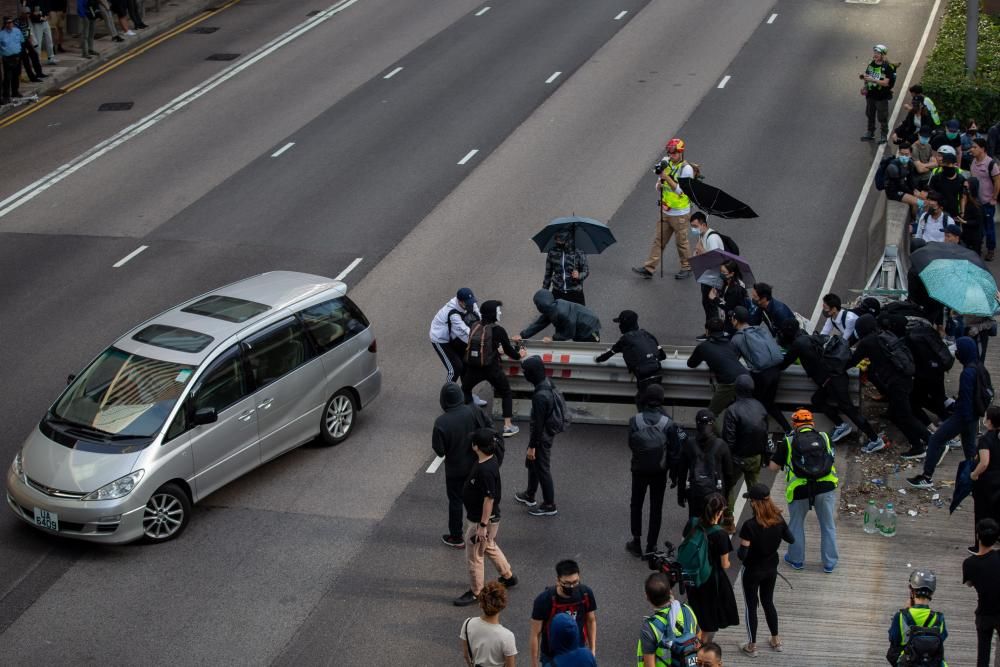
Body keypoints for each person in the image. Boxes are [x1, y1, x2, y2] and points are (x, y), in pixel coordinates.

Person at [777, 318, 882, 450]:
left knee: (849, 409)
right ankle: (841, 425)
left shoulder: (798, 344)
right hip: (834, 377)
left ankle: (875, 439)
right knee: (817, 400)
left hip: (833, 381)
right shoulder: (806, 336)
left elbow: (784, 364)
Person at [768, 409, 839, 573]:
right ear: (812, 423)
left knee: (796, 524)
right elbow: (831, 458)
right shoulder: (825, 437)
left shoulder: (788, 441)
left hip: (799, 489)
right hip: (825, 488)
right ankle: (829, 563)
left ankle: (796, 560)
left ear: (795, 424)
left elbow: (773, 467)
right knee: (828, 526)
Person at [454, 429, 517, 607]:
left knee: (475, 554)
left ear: (477, 447)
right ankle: (508, 576)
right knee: (488, 545)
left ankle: (476, 591)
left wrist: (482, 525)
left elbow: (489, 499)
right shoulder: (490, 458)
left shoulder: (486, 470)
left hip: (481, 521)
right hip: (490, 519)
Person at [851, 314, 930, 455]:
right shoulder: (884, 335)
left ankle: (929, 442)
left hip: (896, 384)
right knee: (895, 415)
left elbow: (851, 361)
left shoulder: (867, 343)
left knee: (905, 416)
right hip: (905, 378)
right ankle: (919, 444)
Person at [908, 336, 979, 488]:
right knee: (970, 450)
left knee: (935, 440)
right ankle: (976, 480)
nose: (957, 353)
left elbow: (966, 398)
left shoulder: (967, 373)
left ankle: (926, 477)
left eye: (959, 350)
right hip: (973, 416)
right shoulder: (979, 367)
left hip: (962, 416)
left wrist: (960, 419)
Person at [626, 384, 683, 558]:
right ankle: (651, 546)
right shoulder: (668, 423)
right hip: (660, 471)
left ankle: (636, 542)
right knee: (655, 508)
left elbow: (631, 444)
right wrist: (674, 474)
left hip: (639, 469)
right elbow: (674, 452)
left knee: (636, 504)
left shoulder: (635, 420)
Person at [737, 483, 792, 657]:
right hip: (771, 569)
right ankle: (775, 640)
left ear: (754, 502)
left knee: (751, 607)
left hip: (752, 571)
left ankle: (752, 646)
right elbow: (791, 539)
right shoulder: (778, 519)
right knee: (768, 602)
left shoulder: (749, 526)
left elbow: (742, 555)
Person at [461, 300, 526, 437]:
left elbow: (480, 346)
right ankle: (508, 426)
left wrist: (496, 348)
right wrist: (519, 354)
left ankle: (470, 421)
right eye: (498, 310)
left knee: (465, 390)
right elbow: (509, 351)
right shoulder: (498, 330)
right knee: (506, 392)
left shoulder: (475, 326)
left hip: (473, 368)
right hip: (491, 369)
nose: (500, 312)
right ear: (493, 314)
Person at [632, 137, 694, 280]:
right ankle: (649, 268)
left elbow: (681, 191)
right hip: (666, 211)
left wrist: (666, 177)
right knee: (659, 240)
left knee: (681, 242)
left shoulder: (686, 169)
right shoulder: (666, 162)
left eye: (674, 154)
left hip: (680, 213)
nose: (671, 156)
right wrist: (659, 183)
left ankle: (686, 267)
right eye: (670, 153)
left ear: (681, 153)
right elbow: (658, 182)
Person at [681, 493, 739, 643]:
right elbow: (725, 564)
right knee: (708, 616)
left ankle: (690, 634)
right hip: (710, 579)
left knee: (694, 605)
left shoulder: (693, 522)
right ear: (719, 512)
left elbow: (684, 543)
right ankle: (699, 645)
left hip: (691, 573)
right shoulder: (720, 534)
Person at [433, 382, 484, 548]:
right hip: (475, 466)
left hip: (454, 469)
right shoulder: (472, 411)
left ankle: (456, 536)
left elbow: (439, 451)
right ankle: (479, 532)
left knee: (455, 501)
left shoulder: (441, 422)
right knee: (476, 499)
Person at [730, 306, 791, 433]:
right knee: (768, 403)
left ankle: (760, 434)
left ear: (735, 320)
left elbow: (732, 362)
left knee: (754, 405)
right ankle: (788, 430)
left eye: (732, 318)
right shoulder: (759, 329)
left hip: (761, 375)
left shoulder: (737, 338)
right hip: (776, 370)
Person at [720, 375, 769, 532]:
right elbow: (765, 433)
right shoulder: (760, 406)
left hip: (737, 458)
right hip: (756, 457)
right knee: (755, 488)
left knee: (728, 486)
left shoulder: (732, 410)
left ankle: (728, 522)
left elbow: (729, 439)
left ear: (736, 389)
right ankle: (761, 519)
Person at [514, 355, 560, 517]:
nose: (524, 374)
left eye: (525, 371)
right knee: (533, 465)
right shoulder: (547, 384)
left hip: (541, 438)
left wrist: (532, 446)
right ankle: (529, 494)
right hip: (544, 435)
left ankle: (549, 504)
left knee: (542, 469)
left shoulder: (540, 396)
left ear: (532, 373)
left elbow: (538, 425)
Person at [529, 560, 598, 667]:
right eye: (567, 583)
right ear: (557, 580)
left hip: (577, 650)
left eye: (575, 582)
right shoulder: (544, 600)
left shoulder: (585, 593)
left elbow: (591, 620)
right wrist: (534, 663)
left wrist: (592, 650)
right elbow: (535, 633)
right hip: (551, 655)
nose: (571, 587)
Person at [595, 309, 666, 407]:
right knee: (654, 404)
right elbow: (663, 356)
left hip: (643, 379)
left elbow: (605, 356)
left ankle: (648, 421)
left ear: (624, 325)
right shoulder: (647, 334)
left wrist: (596, 359)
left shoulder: (625, 340)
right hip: (658, 375)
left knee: (644, 404)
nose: (619, 326)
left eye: (620, 323)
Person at [687, 317, 749, 418]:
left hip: (729, 383)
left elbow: (691, 364)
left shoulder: (704, 346)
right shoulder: (730, 343)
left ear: (707, 331)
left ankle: (715, 433)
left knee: (710, 415)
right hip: (746, 378)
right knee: (743, 412)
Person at [676, 409, 732, 520]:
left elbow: (681, 472)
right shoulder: (721, 445)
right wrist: (725, 496)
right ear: (713, 424)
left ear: (697, 423)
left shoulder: (689, 444)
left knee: (695, 523)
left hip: (695, 491)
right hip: (716, 492)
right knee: (715, 525)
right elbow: (728, 473)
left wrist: (681, 495)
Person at [635, 571, 700, 667]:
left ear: (647, 597)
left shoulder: (650, 627)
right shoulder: (687, 610)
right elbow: (698, 639)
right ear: (670, 592)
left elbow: (649, 665)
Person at [886, 570, 948, 667]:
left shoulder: (901, 616)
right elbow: (942, 638)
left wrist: (906, 610)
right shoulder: (939, 618)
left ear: (912, 591)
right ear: (932, 593)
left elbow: (893, 640)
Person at [963, 518, 1000, 667]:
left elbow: (969, 583)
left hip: (985, 613)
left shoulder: (969, 563)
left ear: (977, 536)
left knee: (983, 655)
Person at [430, 288, 482, 385]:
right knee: (455, 368)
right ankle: (447, 394)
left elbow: (479, 316)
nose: (470, 304)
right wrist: (481, 341)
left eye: (471, 302)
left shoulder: (469, 302)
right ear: (460, 302)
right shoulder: (453, 314)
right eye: (467, 303)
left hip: (453, 336)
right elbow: (465, 332)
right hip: (441, 339)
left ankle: (466, 396)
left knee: (466, 365)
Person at [460, 580, 517, 667]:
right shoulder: (507, 636)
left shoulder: (468, 623)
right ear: (502, 605)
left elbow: (466, 655)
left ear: (481, 604)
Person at [515, 289, 601, 343]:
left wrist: (553, 338)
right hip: (583, 324)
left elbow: (569, 332)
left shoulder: (562, 313)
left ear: (540, 305)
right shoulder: (552, 307)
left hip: (589, 330)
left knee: (586, 353)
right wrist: (523, 335)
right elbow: (540, 323)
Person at [970, 407, 1000, 553]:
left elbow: (984, 462)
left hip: (986, 482)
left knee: (981, 513)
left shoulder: (985, 440)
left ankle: (979, 545)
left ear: (989, 421)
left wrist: (974, 474)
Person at [691, 212, 726, 322]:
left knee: (711, 306)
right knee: (706, 304)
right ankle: (709, 331)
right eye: (692, 227)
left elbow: (716, 260)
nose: (693, 229)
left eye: (695, 226)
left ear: (704, 225)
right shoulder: (702, 236)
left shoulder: (712, 238)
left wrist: (702, 251)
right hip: (707, 277)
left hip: (714, 280)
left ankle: (714, 333)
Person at [969, 138, 999, 259]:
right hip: (976, 202)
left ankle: (990, 250)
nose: (972, 149)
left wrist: (994, 198)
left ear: (982, 149)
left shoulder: (991, 164)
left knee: (989, 228)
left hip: (987, 202)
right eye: (972, 147)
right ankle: (977, 248)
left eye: (974, 147)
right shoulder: (973, 162)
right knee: (977, 227)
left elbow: (997, 182)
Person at [860, 44, 896, 144]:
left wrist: (873, 80)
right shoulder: (871, 64)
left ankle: (884, 135)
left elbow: (886, 83)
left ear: (883, 55)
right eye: (875, 52)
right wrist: (865, 87)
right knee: (870, 114)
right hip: (870, 96)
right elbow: (867, 76)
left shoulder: (887, 67)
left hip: (881, 97)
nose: (875, 54)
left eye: (878, 53)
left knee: (882, 117)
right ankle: (870, 132)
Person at [542, 231, 589, 306]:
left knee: (578, 317)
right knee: (555, 317)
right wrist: (544, 291)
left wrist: (579, 275)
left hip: (575, 293)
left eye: (561, 240)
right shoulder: (552, 252)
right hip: (557, 292)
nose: (558, 242)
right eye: (557, 240)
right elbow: (548, 273)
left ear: (567, 241)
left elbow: (586, 271)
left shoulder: (579, 252)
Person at [884, 142, 926, 217]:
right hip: (894, 191)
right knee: (919, 202)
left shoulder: (910, 163)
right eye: (901, 154)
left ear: (910, 154)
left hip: (903, 187)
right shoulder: (893, 167)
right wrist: (913, 192)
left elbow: (910, 179)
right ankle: (915, 220)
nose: (904, 156)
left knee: (923, 198)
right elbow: (898, 185)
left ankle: (915, 217)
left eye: (906, 154)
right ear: (899, 153)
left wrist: (914, 189)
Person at [706, 260, 747, 337]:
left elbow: (728, 306)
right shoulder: (727, 282)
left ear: (732, 273)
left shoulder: (735, 289)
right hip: (727, 318)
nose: (721, 274)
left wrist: (714, 298)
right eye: (720, 271)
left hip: (732, 322)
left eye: (724, 272)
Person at [927, 145, 966, 219]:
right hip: (938, 211)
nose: (940, 159)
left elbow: (963, 196)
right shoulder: (936, 174)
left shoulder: (961, 176)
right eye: (939, 156)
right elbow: (930, 193)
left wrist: (962, 212)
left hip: (955, 212)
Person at [0, 16, 24, 103]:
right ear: (5, 24)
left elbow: (21, 41)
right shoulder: (1, 34)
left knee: (16, 75)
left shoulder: (17, 31)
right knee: (7, 77)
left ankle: (15, 92)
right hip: (7, 58)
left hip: (17, 56)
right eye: (7, 23)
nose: (9, 24)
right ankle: (6, 95)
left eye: (11, 22)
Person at [957, 179, 983, 254]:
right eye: (964, 187)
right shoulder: (966, 200)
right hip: (966, 235)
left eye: (966, 187)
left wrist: (965, 222)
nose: (964, 189)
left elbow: (978, 221)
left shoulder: (976, 204)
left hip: (974, 236)